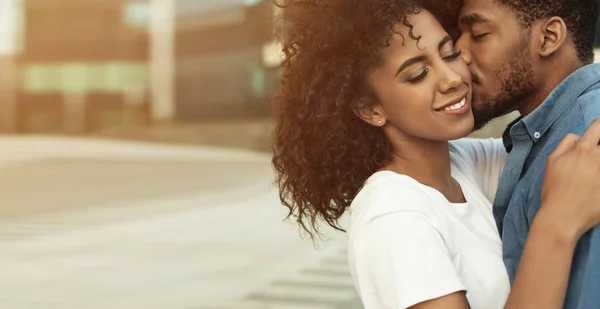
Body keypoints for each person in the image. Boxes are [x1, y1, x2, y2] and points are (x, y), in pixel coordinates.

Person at [270, 0, 600, 308]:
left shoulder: (461, 165)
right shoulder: (395, 217)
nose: (453, 78)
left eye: (449, 53)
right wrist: (556, 226)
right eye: (417, 74)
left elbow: (556, 141)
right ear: (370, 108)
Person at [455, 0, 600, 307]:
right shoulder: (549, 134)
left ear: (548, 38)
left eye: (478, 34)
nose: (460, 52)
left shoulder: (588, 144)